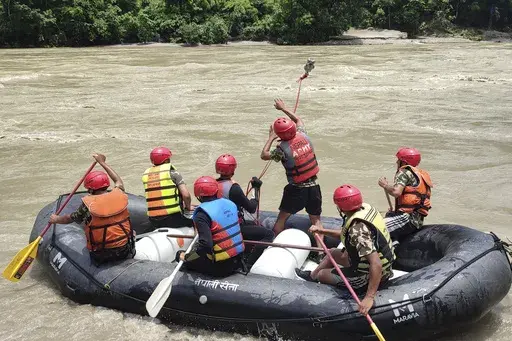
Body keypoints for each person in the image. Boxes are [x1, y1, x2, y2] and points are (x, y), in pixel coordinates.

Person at [295, 185, 395, 315]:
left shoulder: (357, 230)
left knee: (323, 275)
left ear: (340, 207)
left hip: (373, 274)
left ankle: (327, 280)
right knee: (333, 253)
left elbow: (376, 263)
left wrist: (369, 297)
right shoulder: (365, 210)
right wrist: (321, 230)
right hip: (375, 263)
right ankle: (312, 277)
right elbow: (345, 233)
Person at [49, 153, 135, 265]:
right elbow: (118, 180)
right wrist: (102, 162)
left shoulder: (88, 205)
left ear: (90, 189)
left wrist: (56, 219)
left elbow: (69, 218)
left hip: (102, 254)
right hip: (125, 250)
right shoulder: (119, 193)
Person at [260, 98, 322, 237]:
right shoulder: (303, 135)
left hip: (296, 190)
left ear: (279, 135)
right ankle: (320, 251)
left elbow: (264, 155)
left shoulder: (281, 151)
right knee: (316, 220)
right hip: (314, 187)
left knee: (281, 218)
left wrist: (270, 138)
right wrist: (283, 108)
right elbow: (298, 119)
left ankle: (276, 243)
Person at [176, 176, 244, 277]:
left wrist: (187, 257)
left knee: (179, 254)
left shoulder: (201, 214)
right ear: (216, 190)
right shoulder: (231, 204)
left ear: (198, 196)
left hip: (221, 266)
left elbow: (206, 246)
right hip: (239, 259)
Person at [215, 154, 274, 266]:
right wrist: (255, 189)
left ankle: (243, 252)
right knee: (269, 234)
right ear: (233, 169)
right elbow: (251, 208)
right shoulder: (234, 188)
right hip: (232, 228)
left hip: (217, 226)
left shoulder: (213, 184)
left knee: (253, 225)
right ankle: (249, 264)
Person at [378, 147, 433, 242]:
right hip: (417, 220)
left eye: (398, 160)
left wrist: (385, 185)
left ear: (403, 162)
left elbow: (396, 192)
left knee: (373, 229)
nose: (396, 162)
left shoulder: (404, 172)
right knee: (388, 215)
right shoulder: (421, 175)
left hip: (407, 219)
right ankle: (394, 244)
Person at [142, 147, 193, 229]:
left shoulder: (146, 175)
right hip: (172, 218)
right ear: (166, 160)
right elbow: (186, 195)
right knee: (195, 223)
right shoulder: (173, 173)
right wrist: (188, 207)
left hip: (153, 219)